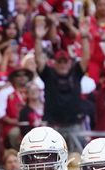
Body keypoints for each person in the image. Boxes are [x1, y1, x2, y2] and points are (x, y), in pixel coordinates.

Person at [33, 20, 91, 150]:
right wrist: (38, 38)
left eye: (65, 61)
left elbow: (86, 57)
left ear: (70, 62)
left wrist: (85, 36)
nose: (63, 64)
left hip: (74, 123)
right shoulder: (48, 74)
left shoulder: (76, 72)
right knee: (54, 157)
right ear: (54, 62)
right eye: (60, 61)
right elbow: (38, 59)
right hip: (54, 125)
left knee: (77, 158)